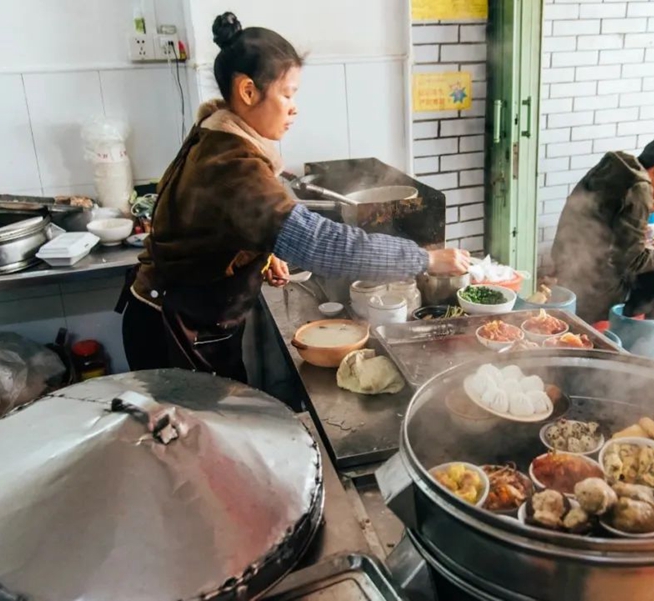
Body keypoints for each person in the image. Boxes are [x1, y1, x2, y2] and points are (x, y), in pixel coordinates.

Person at [119, 12, 469, 382]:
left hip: (180, 319)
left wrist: (256, 250)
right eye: (287, 94)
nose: (294, 106)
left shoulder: (215, 135)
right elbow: (322, 244)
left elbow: (207, 223)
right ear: (248, 91)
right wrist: (424, 259)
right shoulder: (232, 167)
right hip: (174, 332)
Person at [550, 133, 654, 324]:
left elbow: (609, 214)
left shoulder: (616, 167)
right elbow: (633, 260)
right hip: (595, 288)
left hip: (566, 268)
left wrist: (648, 206)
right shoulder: (639, 188)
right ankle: (644, 333)